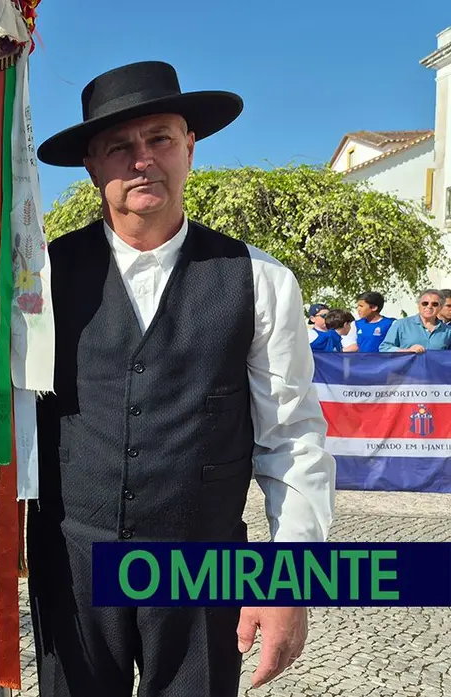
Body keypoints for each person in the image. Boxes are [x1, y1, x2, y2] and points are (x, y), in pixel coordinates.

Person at [29, 61, 335, 697]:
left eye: (160, 139)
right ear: (91, 165)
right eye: (120, 146)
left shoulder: (261, 280)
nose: (143, 160)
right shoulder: (36, 281)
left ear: (190, 146)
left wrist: (291, 586)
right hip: (73, 561)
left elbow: (293, 439)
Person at [379, 289, 451, 352]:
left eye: (434, 304)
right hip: (408, 367)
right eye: (425, 303)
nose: (429, 306)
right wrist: (407, 351)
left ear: (440, 307)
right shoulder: (401, 324)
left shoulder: (448, 331)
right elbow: (384, 348)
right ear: (418, 305)